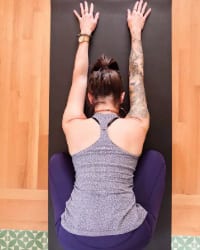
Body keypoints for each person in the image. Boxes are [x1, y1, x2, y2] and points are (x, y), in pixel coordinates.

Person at [49, 1, 166, 249]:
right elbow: (136, 76)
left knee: (57, 162)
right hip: (130, 238)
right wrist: (135, 32)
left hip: (74, 239)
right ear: (123, 98)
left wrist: (85, 34)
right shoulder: (137, 124)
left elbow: (79, 78)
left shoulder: (72, 123)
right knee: (155, 158)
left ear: (89, 99)